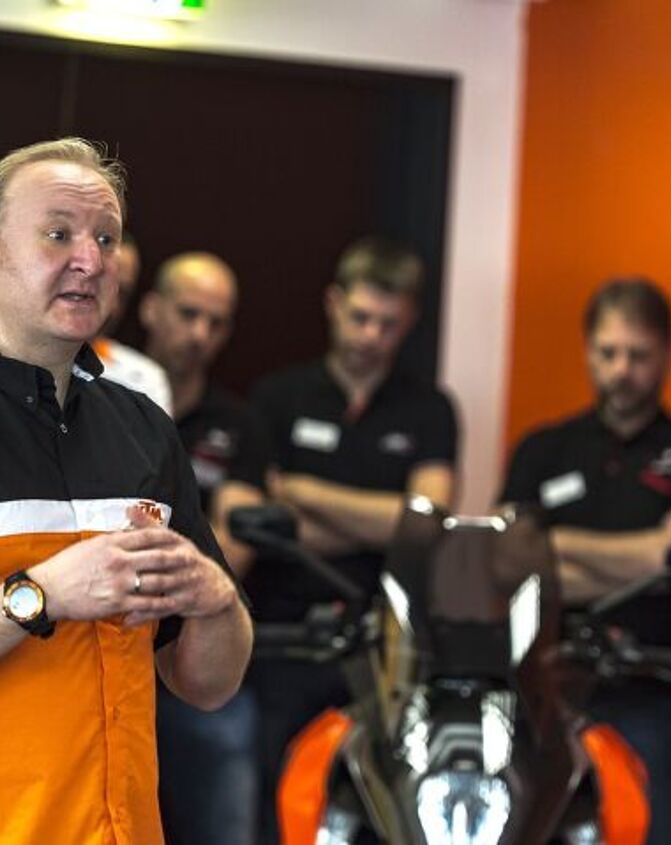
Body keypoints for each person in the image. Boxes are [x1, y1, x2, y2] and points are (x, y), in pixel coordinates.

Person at [0, 137, 252, 845]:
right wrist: (42, 595)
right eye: (58, 234)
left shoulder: (144, 428)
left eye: (106, 238)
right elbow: (46, 596)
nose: (91, 259)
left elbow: (207, 685)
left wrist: (217, 601)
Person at [236, 235, 459, 842]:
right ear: (333, 303)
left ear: (409, 322)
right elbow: (260, 526)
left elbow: (426, 525)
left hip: (387, 647)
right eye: (360, 317)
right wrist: (381, 523)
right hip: (286, 640)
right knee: (281, 811)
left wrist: (302, 491)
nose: (370, 336)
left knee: (383, 816)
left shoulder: (430, 408)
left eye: (388, 324)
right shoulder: (277, 398)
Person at [497, 277, 671, 845]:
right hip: (546, 688)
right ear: (588, 351)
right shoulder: (543, 449)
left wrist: (554, 545)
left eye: (638, 355)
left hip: (653, 689)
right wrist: (650, 551)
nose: (622, 370)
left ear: (666, 355)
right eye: (609, 353)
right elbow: (508, 561)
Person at [140, 251, 268, 845]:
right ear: (150, 309)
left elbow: (231, 548)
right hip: (101, 633)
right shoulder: (99, 406)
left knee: (227, 738)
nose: (200, 334)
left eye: (216, 323)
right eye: (188, 314)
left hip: (189, 634)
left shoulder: (239, 422)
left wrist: (168, 585)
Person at [93, 232, 173, 414]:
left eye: (123, 294)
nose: (112, 306)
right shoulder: (30, 358)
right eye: (103, 285)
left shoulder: (144, 380)